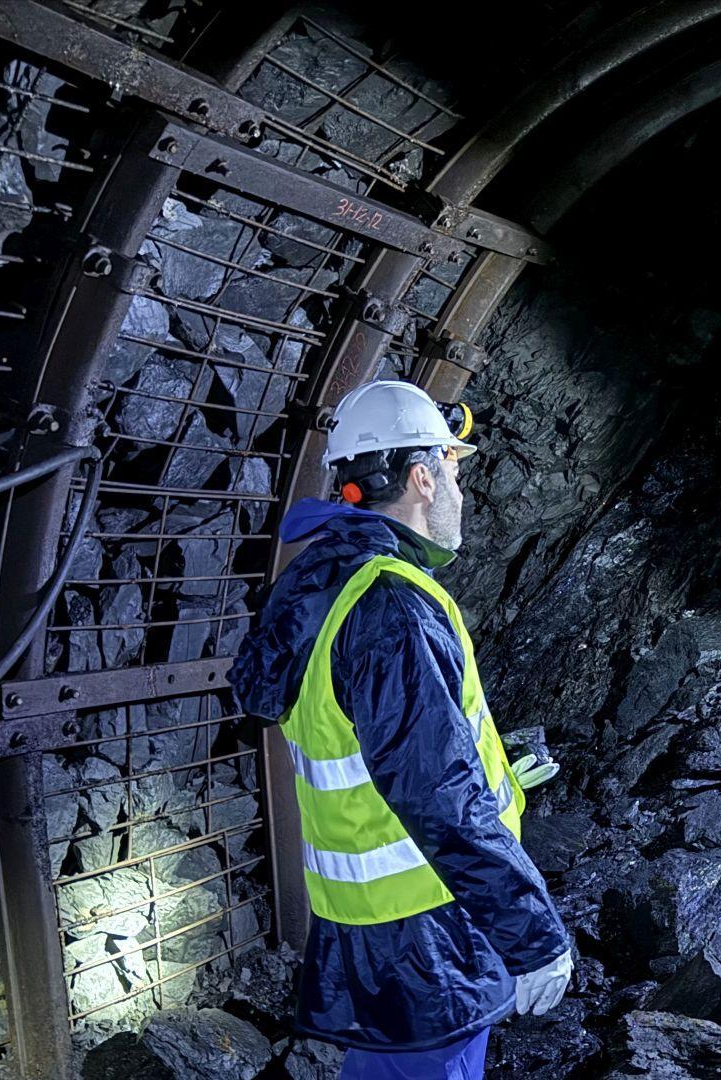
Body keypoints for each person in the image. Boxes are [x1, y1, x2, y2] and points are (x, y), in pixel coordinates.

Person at [230, 380, 571, 1080]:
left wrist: (499, 770)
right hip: (428, 929)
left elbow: (386, 752)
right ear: (422, 477)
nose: (460, 492)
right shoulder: (393, 608)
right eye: (453, 471)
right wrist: (531, 935)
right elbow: (435, 793)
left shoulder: (324, 584)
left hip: (373, 922)